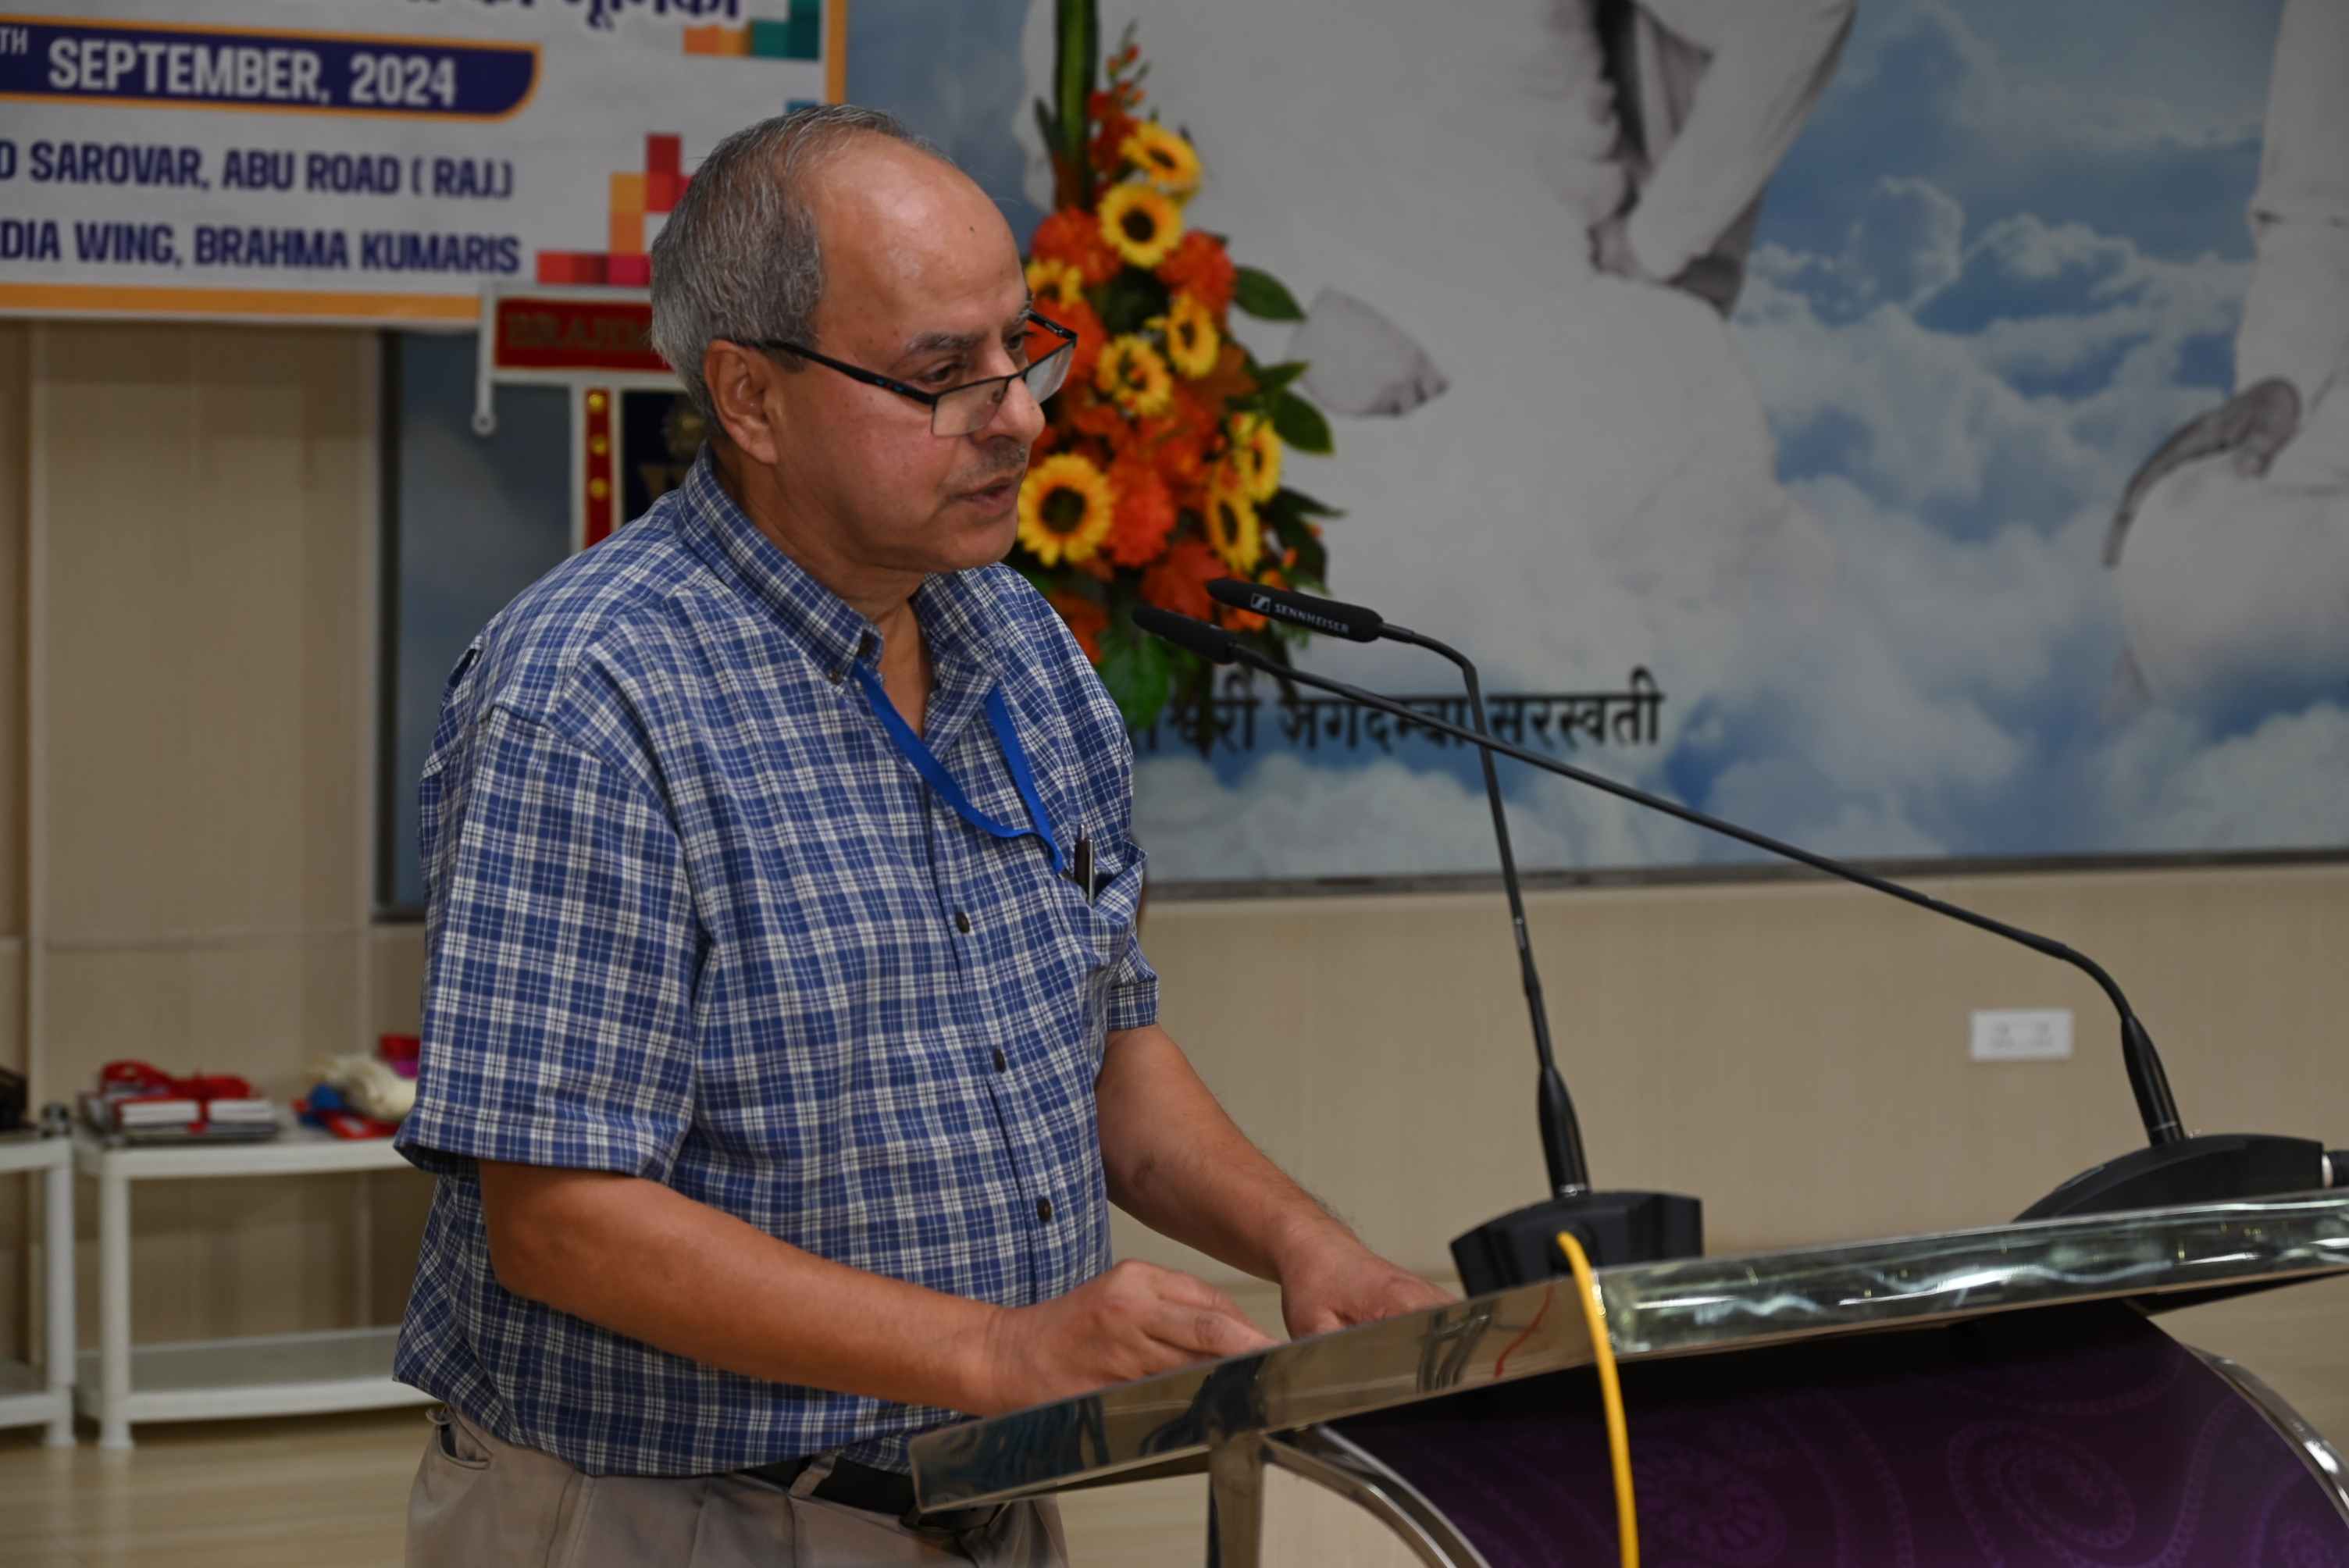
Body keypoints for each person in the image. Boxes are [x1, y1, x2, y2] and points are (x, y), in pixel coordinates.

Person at [394, 104, 1447, 1566]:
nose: (1018, 417)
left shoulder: (1016, 639)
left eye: (1022, 350)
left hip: (982, 1494)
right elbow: (560, 1217)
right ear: (750, 399)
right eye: (943, 376)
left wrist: (1307, 1246)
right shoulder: (592, 691)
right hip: (673, 1517)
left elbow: (1107, 1051)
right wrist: (996, 1352)